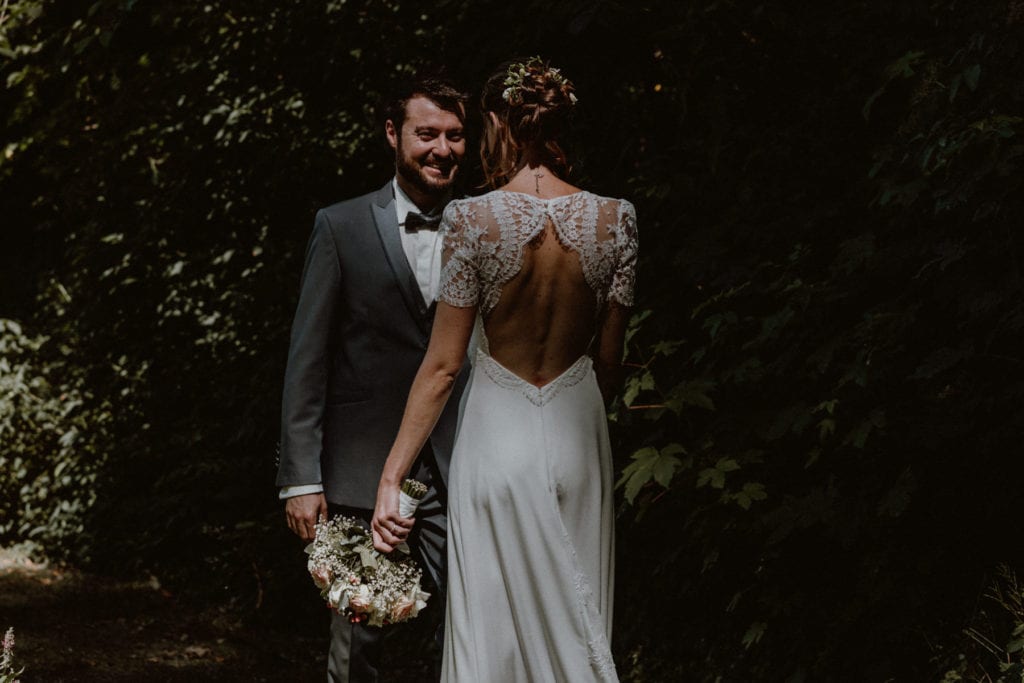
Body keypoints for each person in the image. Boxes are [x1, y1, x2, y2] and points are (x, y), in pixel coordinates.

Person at [371, 57, 637, 682]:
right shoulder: (617, 219)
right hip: (578, 437)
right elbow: (610, 361)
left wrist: (392, 477)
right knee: (580, 616)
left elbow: (442, 367)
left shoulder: (472, 219)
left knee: (491, 630)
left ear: (497, 122)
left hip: (496, 442)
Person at [276, 74, 472, 683]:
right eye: (427, 134)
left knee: (470, 629)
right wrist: (300, 477)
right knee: (358, 642)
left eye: (456, 136)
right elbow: (307, 358)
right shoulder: (340, 226)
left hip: (466, 460)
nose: (443, 149)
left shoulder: (488, 224)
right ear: (393, 134)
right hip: (363, 468)